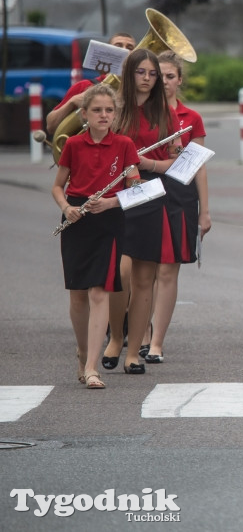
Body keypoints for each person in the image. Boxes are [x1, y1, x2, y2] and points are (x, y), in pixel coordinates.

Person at [52, 84, 140, 389]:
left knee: (100, 291)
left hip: (110, 218)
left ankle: (92, 367)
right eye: (97, 110)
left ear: (115, 114)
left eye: (109, 110)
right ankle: (82, 351)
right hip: (77, 216)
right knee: (78, 295)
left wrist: (111, 202)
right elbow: (57, 186)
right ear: (85, 114)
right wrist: (67, 207)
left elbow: (134, 187)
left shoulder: (125, 144)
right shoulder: (74, 144)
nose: (104, 115)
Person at [103, 48, 180, 375]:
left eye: (153, 74)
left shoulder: (165, 112)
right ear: (129, 74)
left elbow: (176, 161)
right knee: (120, 273)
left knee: (145, 278)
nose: (148, 79)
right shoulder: (114, 107)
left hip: (149, 191)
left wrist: (146, 162)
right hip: (117, 191)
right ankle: (116, 336)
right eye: (141, 72)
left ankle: (134, 351)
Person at [145, 51, 212, 363]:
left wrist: (205, 211)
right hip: (144, 189)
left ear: (179, 80)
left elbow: (199, 166)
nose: (165, 82)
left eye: (170, 76)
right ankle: (140, 335)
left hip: (180, 194)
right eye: (159, 76)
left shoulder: (191, 118)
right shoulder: (138, 113)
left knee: (169, 270)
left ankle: (157, 342)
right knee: (142, 269)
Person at [45, 33, 137, 136]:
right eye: (118, 46)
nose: (124, 51)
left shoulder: (139, 91)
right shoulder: (84, 86)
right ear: (107, 54)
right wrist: (72, 101)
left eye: (130, 47)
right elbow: (51, 126)